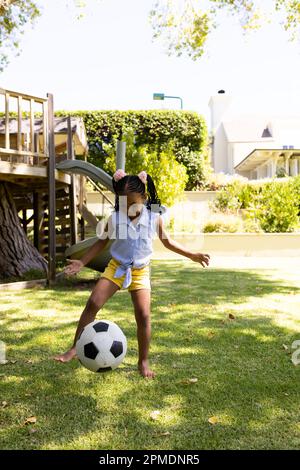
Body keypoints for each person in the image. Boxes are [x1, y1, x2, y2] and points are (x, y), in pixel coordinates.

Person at [54, 169, 210, 378]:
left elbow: (167, 242)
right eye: (124, 203)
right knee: (92, 304)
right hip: (116, 267)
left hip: (140, 271)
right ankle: (74, 348)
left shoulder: (154, 217)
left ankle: (143, 362)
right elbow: (101, 242)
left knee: (144, 316)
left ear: (144, 198)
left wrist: (191, 254)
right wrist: (82, 262)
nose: (128, 208)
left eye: (133, 203)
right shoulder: (115, 218)